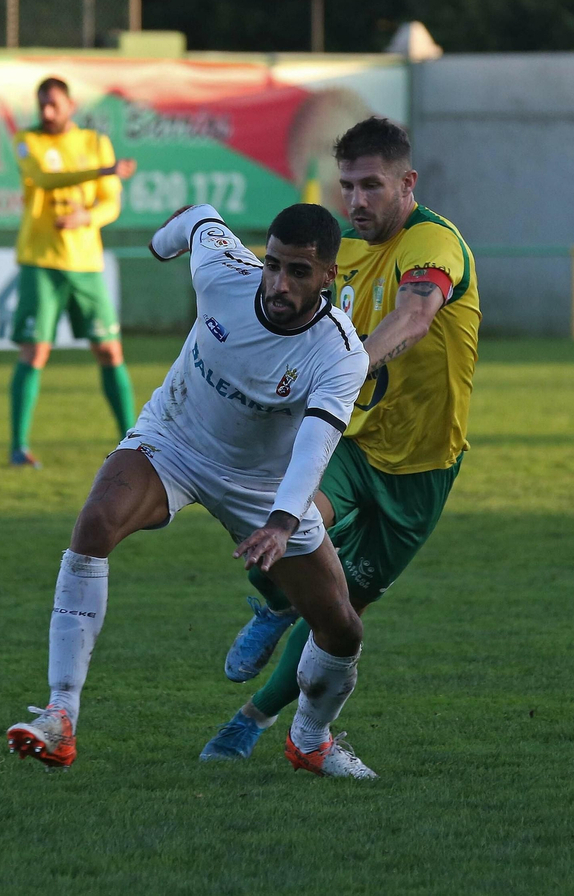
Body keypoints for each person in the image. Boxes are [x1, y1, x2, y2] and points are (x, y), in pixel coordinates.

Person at [6, 201, 376, 778]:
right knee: (94, 525)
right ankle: (60, 715)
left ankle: (310, 740)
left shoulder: (339, 352)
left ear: (329, 275)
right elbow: (198, 219)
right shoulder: (224, 272)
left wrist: (281, 522)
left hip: (263, 487)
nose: (278, 283)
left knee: (341, 626)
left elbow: (314, 447)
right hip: (173, 440)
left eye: (298, 272)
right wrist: (160, 245)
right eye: (272, 264)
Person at [200, 117, 481, 762]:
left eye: (372, 186)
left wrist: (354, 367)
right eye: (348, 186)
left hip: (422, 467)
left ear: (407, 184)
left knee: (339, 614)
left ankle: (256, 721)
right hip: (348, 444)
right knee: (290, 525)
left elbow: (414, 315)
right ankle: (272, 605)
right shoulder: (338, 252)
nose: (357, 201)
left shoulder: (431, 244)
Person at [7, 77, 139, 468]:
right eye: (41, 105)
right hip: (41, 261)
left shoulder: (95, 144)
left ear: (70, 105)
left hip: (85, 264)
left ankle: (134, 441)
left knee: (110, 349)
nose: (46, 112)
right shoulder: (26, 141)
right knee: (35, 352)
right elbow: (44, 179)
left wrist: (87, 215)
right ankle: (19, 446)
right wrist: (101, 172)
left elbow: (111, 204)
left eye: (54, 105)